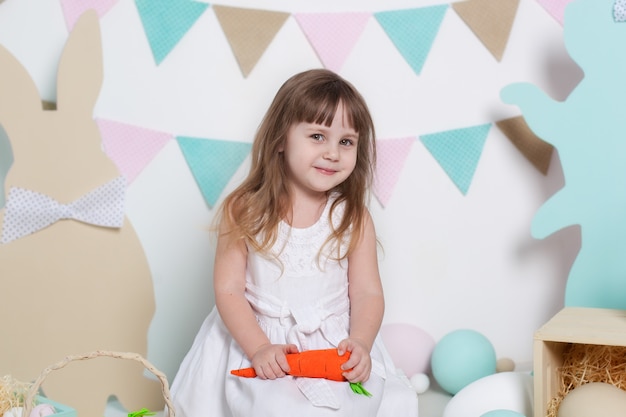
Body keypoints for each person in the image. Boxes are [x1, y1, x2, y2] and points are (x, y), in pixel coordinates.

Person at [169, 69, 418, 416]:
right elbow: (228, 290)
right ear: (281, 138)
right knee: (276, 406)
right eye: (318, 136)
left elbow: (367, 293)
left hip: (332, 346)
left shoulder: (352, 217)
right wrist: (259, 348)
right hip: (261, 341)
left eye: (346, 142)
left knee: (363, 405)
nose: (333, 152)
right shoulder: (245, 210)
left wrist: (360, 342)